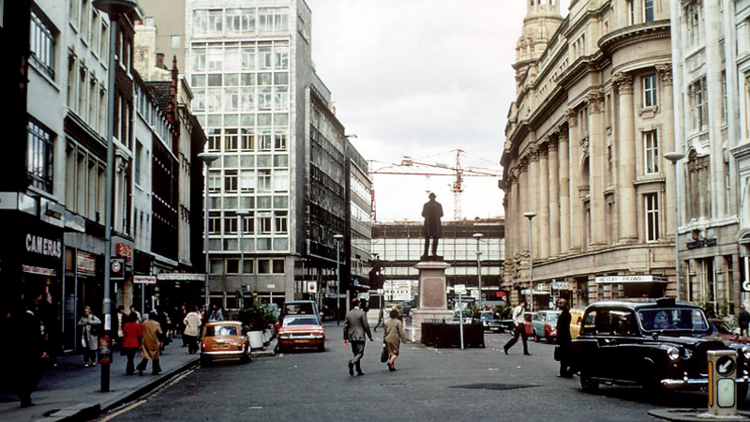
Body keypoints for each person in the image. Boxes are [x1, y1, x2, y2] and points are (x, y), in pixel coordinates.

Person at [343, 298, 374, 376]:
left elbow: (345, 327)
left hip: (352, 336)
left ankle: (358, 369)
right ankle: (352, 362)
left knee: (355, 353)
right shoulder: (362, 313)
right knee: (360, 353)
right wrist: (370, 336)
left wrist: (345, 338)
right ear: (358, 304)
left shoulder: (349, 313)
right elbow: (366, 325)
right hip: (360, 335)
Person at [136, 311, 163, 375]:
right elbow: (160, 332)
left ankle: (141, 367)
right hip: (154, 341)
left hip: (145, 341)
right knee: (155, 357)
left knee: (146, 356)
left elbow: (141, 330)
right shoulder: (156, 324)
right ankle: (155, 369)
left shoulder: (144, 323)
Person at [421, 192, 443, 258]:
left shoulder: (426, 205)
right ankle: (434, 253)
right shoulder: (439, 205)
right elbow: (442, 214)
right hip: (436, 224)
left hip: (428, 223)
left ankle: (426, 253)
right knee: (435, 239)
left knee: (427, 239)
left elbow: (423, 214)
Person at [555, 299, 572, 377]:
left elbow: (562, 327)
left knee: (564, 355)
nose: (559, 305)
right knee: (565, 355)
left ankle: (564, 371)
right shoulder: (565, 313)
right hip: (564, 336)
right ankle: (564, 371)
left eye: (560, 303)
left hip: (563, 337)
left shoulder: (565, 314)